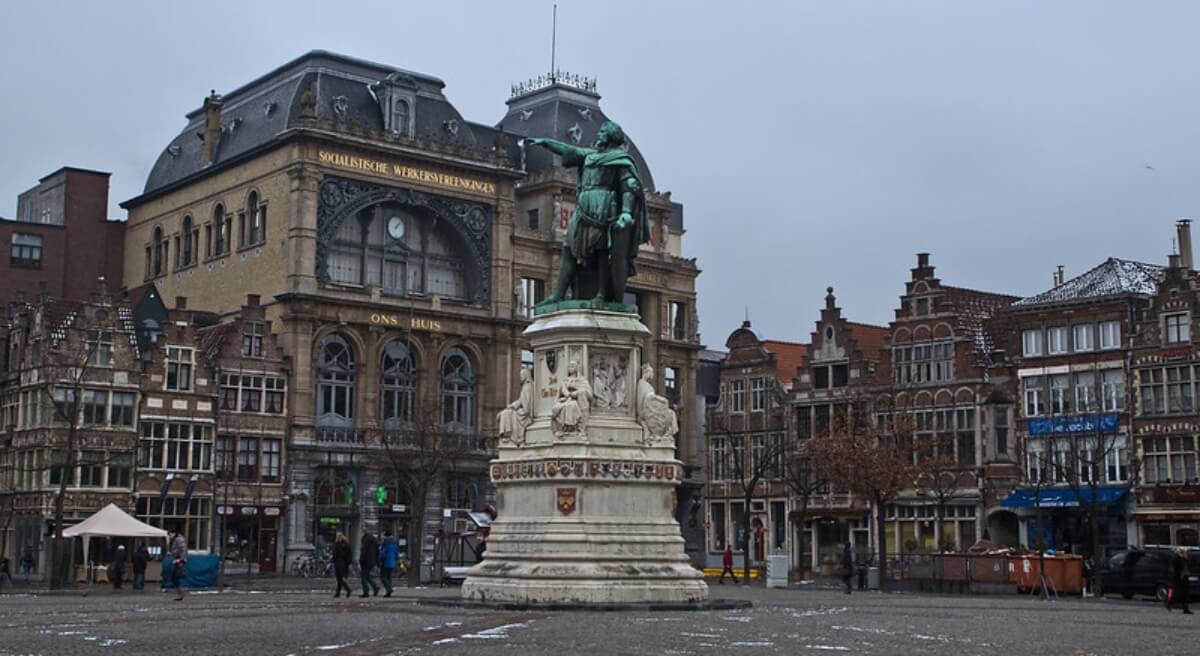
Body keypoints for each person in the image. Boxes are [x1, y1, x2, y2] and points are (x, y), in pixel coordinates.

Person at [1168, 546, 1192, 614]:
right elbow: (1178, 567)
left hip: (1185, 578)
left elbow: (1188, 565)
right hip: (1179, 579)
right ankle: (1169, 603)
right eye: (1184, 552)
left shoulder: (1184, 558)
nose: (1185, 553)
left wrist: (1186, 559)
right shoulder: (1176, 558)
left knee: (1185, 594)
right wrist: (1184, 559)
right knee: (1178, 594)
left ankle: (1186, 609)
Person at [378, 530, 400, 597]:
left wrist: (379, 554)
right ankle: (388, 593)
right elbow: (397, 553)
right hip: (392, 563)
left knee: (383, 577)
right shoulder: (394, 543)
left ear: (386, 536)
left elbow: (382, 553)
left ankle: (389, 589)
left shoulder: (386, 543)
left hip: (385, 562)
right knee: (389, 577)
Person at [359, 530, 380, 597]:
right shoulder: (374, 539)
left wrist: (361, 560)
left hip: (365, 561)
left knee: (363, 577)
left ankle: (366, 591)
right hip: (372, 561)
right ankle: (375, 587)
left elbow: (364, 551)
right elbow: (377, 551)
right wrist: (376, 560)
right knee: (367, 576)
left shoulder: (365, 540)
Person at [331, 533, 353, 598]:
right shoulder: (346, 545)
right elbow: (350, 554)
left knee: (339, 578)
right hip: (344, 563)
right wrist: (348, 562)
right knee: (340, 578)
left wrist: (333, 560)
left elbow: (335, 554)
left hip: (338, 562)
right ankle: (338, 592)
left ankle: (347, 589)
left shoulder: (337, 545)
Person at [170, 532, 188, 601]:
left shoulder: (178, 540)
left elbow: (183, 550)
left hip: (179, 560)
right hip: (178, 560)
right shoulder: (177, 540)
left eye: (170, 534)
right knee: (175, 578)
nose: (170, 536)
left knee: (175, 577)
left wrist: (181, 560)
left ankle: (181, 593)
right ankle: (180, 594)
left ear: (174, 533)